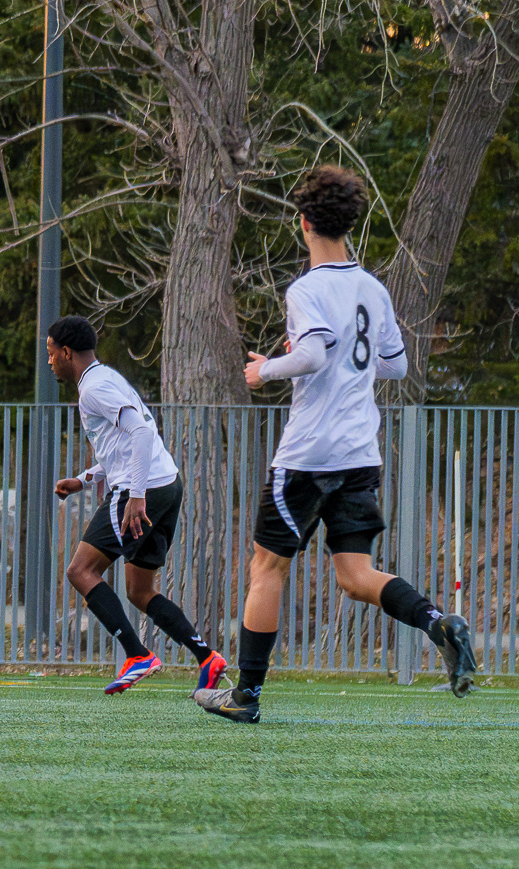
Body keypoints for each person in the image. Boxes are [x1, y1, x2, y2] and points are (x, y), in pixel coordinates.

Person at [198, 165, 476, 723]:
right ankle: (438, 622)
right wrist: (322, 354)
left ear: (303, 224)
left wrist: (267, 370)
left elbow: (318, 352)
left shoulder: (307, 288)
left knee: (266, 568)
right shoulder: (372, 288)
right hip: (359, 454)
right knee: (354, 576)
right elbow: (394, 365)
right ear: (350, 224)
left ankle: (245, 694)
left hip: (307, 455)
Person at [48, 316, 227, 695]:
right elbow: (124, 443)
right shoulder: (107, 378)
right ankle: (207, 657)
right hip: (167, 484)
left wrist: (135, 495)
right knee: (139, 590)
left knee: (80, 571)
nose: (49, 362)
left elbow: (143, 433)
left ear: (66, 353)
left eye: (50, 354)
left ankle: (137, 655)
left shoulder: (93, 389)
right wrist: (86, 479)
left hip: (143, 490)